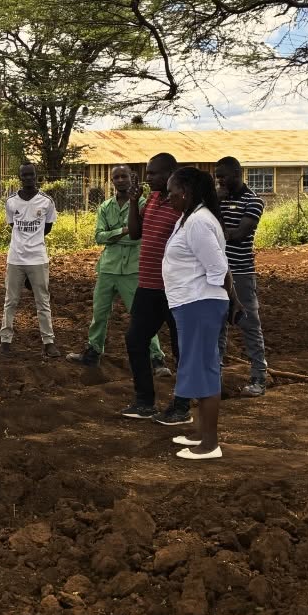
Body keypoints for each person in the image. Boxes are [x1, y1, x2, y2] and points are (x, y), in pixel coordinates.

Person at [157, 166, 240, 460]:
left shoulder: (198, 223)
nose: (167, 197)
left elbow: (218, 267)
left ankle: (210, 444)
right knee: (196, 368)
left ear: (186, 192)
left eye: (171, 192)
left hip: (199, 304)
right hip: (192, 304)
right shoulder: (189, 218)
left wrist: (226, 300)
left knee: (204, 370)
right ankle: (200, 433)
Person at [68, 164, 165, 369]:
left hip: (133, 269)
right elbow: (99, 237)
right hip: (107, 268)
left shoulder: (143, 205)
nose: (120, 180)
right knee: (99, 314)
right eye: (116, 177)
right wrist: (124, 230)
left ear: (132, 178)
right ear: (111, 181)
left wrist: (117, 235)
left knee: (141, 316)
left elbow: (141, 237)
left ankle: (156, 358)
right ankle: (93, 352)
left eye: (124, 176)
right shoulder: (105, 206)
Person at [120, 152, 182, 419]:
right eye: (147, 173)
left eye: (153, 173)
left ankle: (182, 405)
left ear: (170, 174)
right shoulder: (153, 199)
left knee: (181, 348)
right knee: (135, 340)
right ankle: (145, 401)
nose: (148, 178)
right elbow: (136, 233)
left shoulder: (182, 204)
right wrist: (134, 202)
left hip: (175, 289)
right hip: (148, 285)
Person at [215, 156, 268, 395]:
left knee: (249, 324)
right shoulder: (218, 199)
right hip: (216, 272)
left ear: (237, 174)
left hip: (241, 272)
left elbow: (238, 234)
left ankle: (258, 377)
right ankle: (214, 378)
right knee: (217, 325)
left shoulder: (254, 201)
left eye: (223, 176)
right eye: (217, 177)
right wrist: (215, 202)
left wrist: (214, 231)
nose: (220, 180)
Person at [0, 162, 61, 356]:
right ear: (20, 177)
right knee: (11, 300)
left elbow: (47, 228)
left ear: (36, 176)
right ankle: (5, 340)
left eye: (31, 174)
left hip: (38, 258)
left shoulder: (46, 201)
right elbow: (13, 225)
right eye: (24, 175)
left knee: (43, 301)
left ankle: (48, 341)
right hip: (15, 258)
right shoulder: (11, 202)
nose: (28, 178)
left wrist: (33, 241)